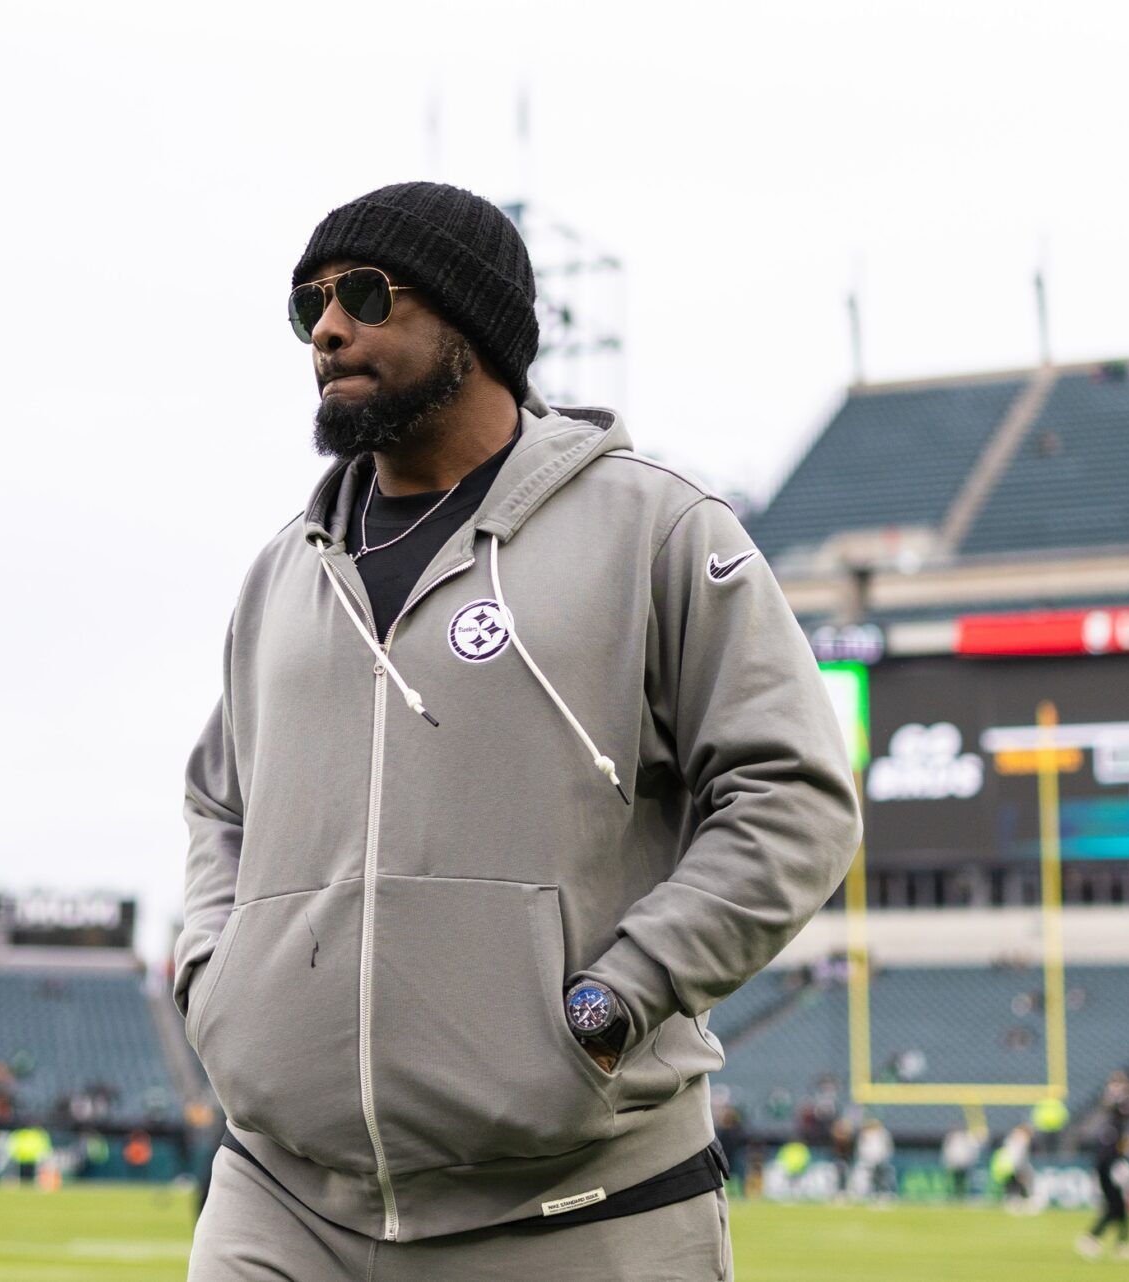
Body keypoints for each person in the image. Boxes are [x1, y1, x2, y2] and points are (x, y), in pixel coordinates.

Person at [175, 180, 861, 1279]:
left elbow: (795, 796)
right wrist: (215, 980)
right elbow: (219, 802)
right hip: (283, 1201)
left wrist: (614, 1001)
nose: (330, 331)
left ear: (475, 321)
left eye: (364, 294)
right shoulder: (282, 570)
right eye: (309, 309)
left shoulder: (658, 529)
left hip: (578, 1204)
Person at [1075, 1131, 1129, 1260]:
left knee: (1118, 1216)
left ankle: (1119, 1243)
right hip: (1113, 1193)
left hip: (1115, 1193)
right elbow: (1118, 1179)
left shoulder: (1121, 1159)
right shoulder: (1114, 1159)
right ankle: (1096, 1240)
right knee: (1114, 1215)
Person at [941, 1125, 981, 1201]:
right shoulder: (952, 1139)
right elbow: (948, 1152)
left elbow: (971, 1151)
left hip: (964, 1164)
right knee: (954, 1182)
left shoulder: (967, 1139)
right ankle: (953, 1196)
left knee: (963, 1182)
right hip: (955, 1164)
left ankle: (962, 1196)